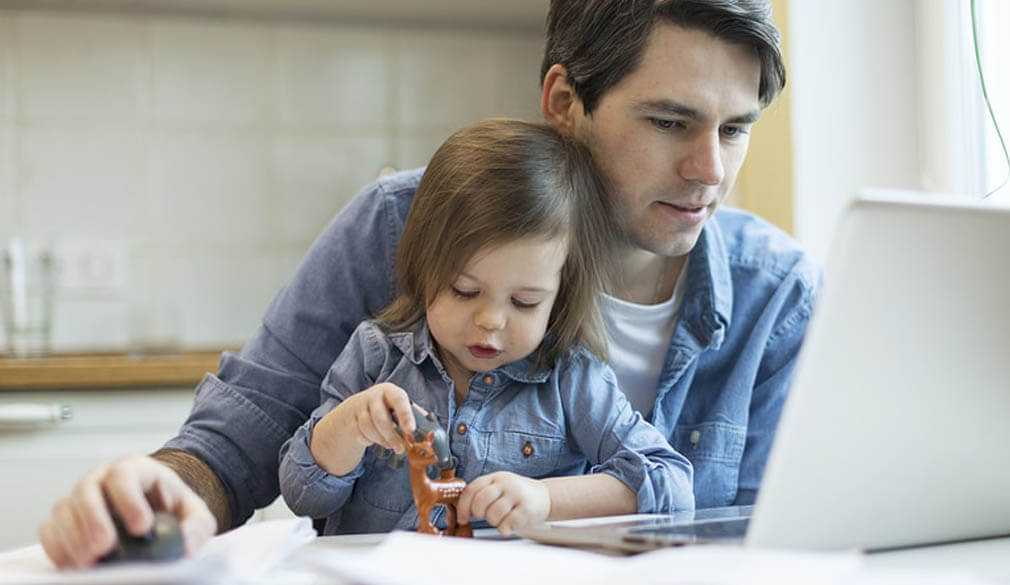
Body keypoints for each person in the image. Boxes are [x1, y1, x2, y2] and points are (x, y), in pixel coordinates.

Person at [40, 0, 818, 568]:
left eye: (735, 128)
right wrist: (156, 489)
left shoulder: (777, 296)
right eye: (668, 122)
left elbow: (763, 548)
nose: (710, 170)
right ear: (563, 105)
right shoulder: (404, 224)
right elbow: (230, 448)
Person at [278, 119, 693, 535]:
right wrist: (349, 427)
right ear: (425, 270)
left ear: (560, 293)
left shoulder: (571, 379)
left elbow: (671, 485)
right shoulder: (375, 357)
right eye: (463, 291)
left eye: (524, 302)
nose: (491, 320)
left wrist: (547, 499)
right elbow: (304, 495)